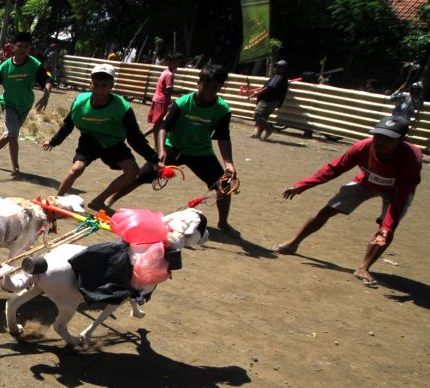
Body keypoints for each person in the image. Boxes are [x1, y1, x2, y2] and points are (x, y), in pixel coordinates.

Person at [273, 115, 422, 288]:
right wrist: (302, 185)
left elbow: (400, 198)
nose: (380, 142)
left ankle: (364, 267)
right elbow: (334, 168)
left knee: (386, 230)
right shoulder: (363, 147)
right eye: (378, 136)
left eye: (388, 140)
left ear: (401, 141)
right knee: (328, 209)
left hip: (397, 191)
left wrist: (388, 226)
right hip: (366, 181)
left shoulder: (411, 160)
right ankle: (293, 243)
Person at [106, 64, 239, 235]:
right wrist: (161, 151)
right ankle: (109, 201)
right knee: (142, 175)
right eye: (206, 86)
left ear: (220, 88)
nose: (208, 91)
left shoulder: (222, 110)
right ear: (199, 83)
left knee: (224, 186)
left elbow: (223, 136)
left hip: (201, 152)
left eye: (214, 88)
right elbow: (164, 127)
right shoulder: (183, 103)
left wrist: (229, 163)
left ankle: (223, 223)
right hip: (173, 147)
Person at [43, 64, 163, 214]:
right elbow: (68, 125)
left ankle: (98, 201)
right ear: (90, 84)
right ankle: (56, 201)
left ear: (112, 85)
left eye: (105, 85)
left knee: (132, 171)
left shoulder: (122, 107)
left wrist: (154, 160)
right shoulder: (80, 102)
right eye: (96, 85)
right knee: (76, 169)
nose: (100, 90)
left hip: (113, 142)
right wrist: (54, 141)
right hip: (89, 140)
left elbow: (135, 137)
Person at [0, 31, 53, 175]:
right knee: (13, 134)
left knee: (9, 134)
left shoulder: (34, 65)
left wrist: (46, 95)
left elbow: (48, 79)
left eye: (27, 47)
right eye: (20, 46)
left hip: (25, 105)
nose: (23, 49)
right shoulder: (5, 66)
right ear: (13, 47)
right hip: (8, 104)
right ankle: (15, 167)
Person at [143, 53, 182, 143]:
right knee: (159, 125)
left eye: (178, 63)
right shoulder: (169, 75)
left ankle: (142, 136)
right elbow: (169, 90)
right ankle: (157, 145)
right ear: (170, 63)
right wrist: (182, 93)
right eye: (175, 63)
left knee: (158, 123)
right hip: (162, 101)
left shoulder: (164, 72)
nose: (177, 65)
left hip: (157, 99)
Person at [248, 59, 288, 140]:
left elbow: (269, 88)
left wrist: (255, 94)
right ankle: (258, 134)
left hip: (269, 100)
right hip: (273, 101)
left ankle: (269, 130)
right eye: (276, 66)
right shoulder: (282, 78)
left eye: (278, 67)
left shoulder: (278, 77)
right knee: (263, 117)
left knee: (257, 115)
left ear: (283, 69)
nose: (276, 68)